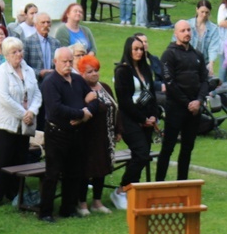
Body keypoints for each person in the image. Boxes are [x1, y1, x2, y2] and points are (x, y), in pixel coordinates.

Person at [39, 47, 97, 223]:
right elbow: (56, 108)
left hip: (77, 132)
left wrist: (84, 114)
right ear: (55, 62)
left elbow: (94, 98)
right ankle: (46, 212)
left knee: (74, 172)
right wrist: (80, 113)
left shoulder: (78, 80)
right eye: (64, 61)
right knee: (53, 173)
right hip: (57, 133)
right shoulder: (50, 82)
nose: (67, 64)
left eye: (70, 61)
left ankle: (68, 208)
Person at [0, 36, 41, 209]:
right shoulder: (1, 72)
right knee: (2, 159)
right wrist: (23, 113)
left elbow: (37, 93)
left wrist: (32, 111)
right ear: (6, 55)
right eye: (14, 52)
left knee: (19, 157)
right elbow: (4, 98)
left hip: (24, 123)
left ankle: (15, 192)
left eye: (20, 51)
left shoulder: (28, 70)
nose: (18, 55)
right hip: (3, 123)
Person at [110, 36, 160, 210]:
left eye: (141, 49)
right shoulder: (122, 71)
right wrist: (142, 119)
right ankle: (121, 190)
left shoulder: (146, 69)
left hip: (147, 117)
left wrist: (153, 116)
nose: (139, 52)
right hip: (130, 119)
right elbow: (124, 101)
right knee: (141, 153)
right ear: (128, 50)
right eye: (135, 49)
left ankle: (133, 190)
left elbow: (152, 93)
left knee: (143, 156)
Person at [155, 20, 208, 182]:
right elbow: (169, 82)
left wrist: (198, 101)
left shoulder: (197, 54)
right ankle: (159, 183)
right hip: (176, 108)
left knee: (187, 147)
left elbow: (205, 80)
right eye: (182, 30)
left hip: (194, 108)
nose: (186, 33)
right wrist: (187, 103)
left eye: (188, 30)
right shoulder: (169, 54)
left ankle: (182, 182)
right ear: (176, 33)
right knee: (168, 147)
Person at [76, 55, 117, 215]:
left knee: (101, 168)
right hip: (86, 136)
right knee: (86, 169)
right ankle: (82, 203)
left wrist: (118, 130)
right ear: (82, 74)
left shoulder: (105, 87)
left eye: (96, 71)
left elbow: (115, 108)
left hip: (105, 136)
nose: (94, 74)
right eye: (90, 71)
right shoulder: (80, 89)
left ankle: (97, 202)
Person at [185, 0, 221, 77]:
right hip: (187, 62)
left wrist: (211, 64)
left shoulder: (214, 29)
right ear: (197, 10)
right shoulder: (187, 25)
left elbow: (213, 48)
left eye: (207, 12)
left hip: (204, 63)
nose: (204, 15)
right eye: (202, 12)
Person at [23, 11, 60, 84]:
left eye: (48, 22)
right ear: (35, 25)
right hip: (35, 82)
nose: (46, 25)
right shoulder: (27, 42)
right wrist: (39, 72)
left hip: (53, 83)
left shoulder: (56, 43)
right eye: (43, 23)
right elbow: (23, 65)